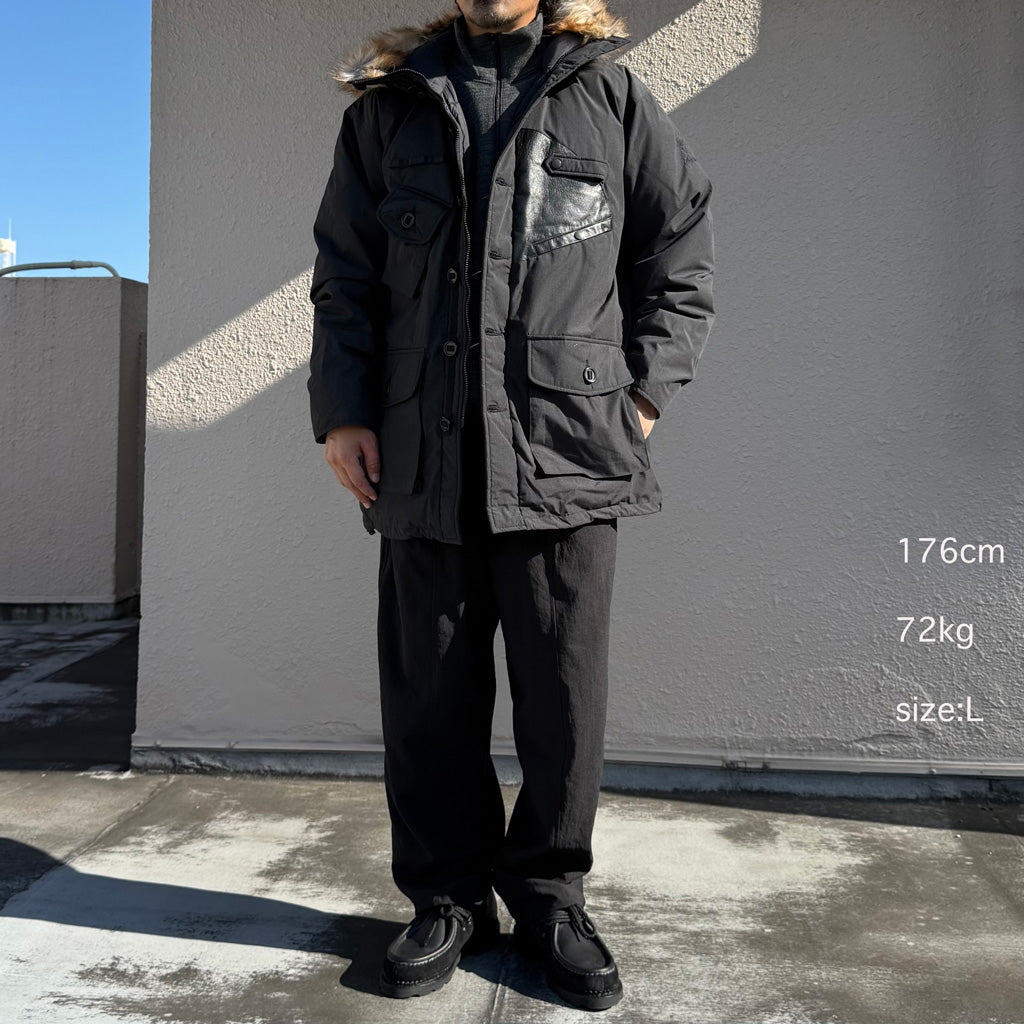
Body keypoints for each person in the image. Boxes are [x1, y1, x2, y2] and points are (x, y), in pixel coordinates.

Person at [307, 0, 715, 1011]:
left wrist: (643, 396)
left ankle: (549, 898)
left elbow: (678, 253)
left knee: (562, 697)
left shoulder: (609, 96)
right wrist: (343, 412)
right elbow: (346, 276)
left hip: (565, 453)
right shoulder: (386, 110)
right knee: (429, 699)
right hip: (422, 454)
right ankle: (447, 898)